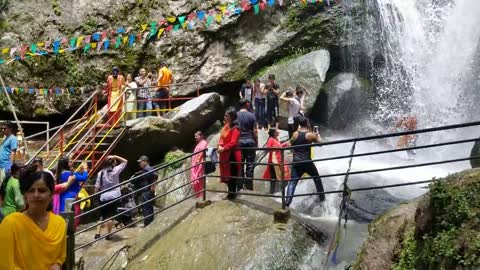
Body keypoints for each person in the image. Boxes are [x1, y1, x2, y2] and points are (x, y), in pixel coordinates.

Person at [0, 167, 66, 270]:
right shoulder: (11, 223)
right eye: (31, 191)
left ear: (51, 194)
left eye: (42, 190)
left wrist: (57, 264)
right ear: (25, 196)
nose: (36, 195)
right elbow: (5, 264)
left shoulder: (59, 223)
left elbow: (60, 256)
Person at [285, 116, 326, 207]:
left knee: (292, 182)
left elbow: (290, 143)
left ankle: (287, 202)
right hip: (307, 162)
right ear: (307, 124)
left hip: (296, 161)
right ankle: (322, 198)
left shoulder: (295, 134)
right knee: (317, 179)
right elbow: (321, 144)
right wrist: (318, 135)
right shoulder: (310, 135)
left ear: (300, 124)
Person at [94, 155, 127, 240]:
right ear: (113, 163)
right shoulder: (116, 170)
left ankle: (97, 234)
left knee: (101, 216)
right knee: (111, 216)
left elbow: (97, 186)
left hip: (103, 197)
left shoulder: (100, 173)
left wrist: (95, 197)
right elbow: (125, 161)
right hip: (114, 196)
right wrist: (115, 156)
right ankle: (108, 235)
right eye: (114, 160)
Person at [56, 157, 88, 228]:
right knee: (71, 218)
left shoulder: (60, 173)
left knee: (64, 216)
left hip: (62, 197)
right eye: (70, 162)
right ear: (66, 164)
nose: (72, 163)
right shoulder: (69, 174)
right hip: (71, 197)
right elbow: (83, 178)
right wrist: (85, 169)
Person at [217, 108, 242, 199]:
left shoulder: (235, 128)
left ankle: (232, 194)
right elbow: (221, 137)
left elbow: (233, 142)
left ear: (231, 117)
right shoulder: (226, 125)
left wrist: (224, 148)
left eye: (226, 116)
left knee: (232, 174)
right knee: (226, 174)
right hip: (224, 153)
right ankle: (230, 193)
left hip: (232, 154)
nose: (224, 117)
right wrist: (220, 145)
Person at [237, 99, 258, 191]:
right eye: (248, 103)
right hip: (250, 141)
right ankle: (249, 186)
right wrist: (256, 142)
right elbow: (255, 131)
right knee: (250, 164)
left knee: (239, 164)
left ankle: (240, 186)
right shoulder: (252, 116)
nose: (249, 104)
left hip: (239, 142)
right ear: (246, 104)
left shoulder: (235, 116)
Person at [263, 129, 290, 194]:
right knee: (278, 176)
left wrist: (285, 144)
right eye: (277, 131)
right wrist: (276, 148)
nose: (278, 132)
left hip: (279, 160)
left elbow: (279, 146)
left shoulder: (276, 139)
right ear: (274, 133)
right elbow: (268, 148)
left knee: (275, 177)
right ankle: (280, 192)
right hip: (274, 161)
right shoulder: (271, 139)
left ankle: (276, 192)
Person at [136, 155, 158, 227]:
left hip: (147, 191)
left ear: (145, 162)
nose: (139, 164)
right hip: (147, 191)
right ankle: (150, 222)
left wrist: (153, 186)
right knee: (148, 207)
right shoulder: (146, 169)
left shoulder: (147, 169)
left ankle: (147, 223)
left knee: (146, 207)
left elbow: (155, 175)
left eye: (141, 162)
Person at [0, 121, 18, 188]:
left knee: (4, 185)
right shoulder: (5, 138)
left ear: (10, 129)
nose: (2, 130)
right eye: (1, 128)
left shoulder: (13, 139)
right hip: (1, 165)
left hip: (6, 165)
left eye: (4, 128)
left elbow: (13, 153)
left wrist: (10, 166)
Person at [191, 131, 208, 198]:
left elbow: (202, 152)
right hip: (195, 164)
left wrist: (198, 160)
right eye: (195, 136)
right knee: (196, 179)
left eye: (196, 136)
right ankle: (198, 194)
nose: (195, 137)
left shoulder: (203, 142)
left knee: (199, 178)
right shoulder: (199, 143)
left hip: (199, 163)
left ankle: (201, 195)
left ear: (201, 136)